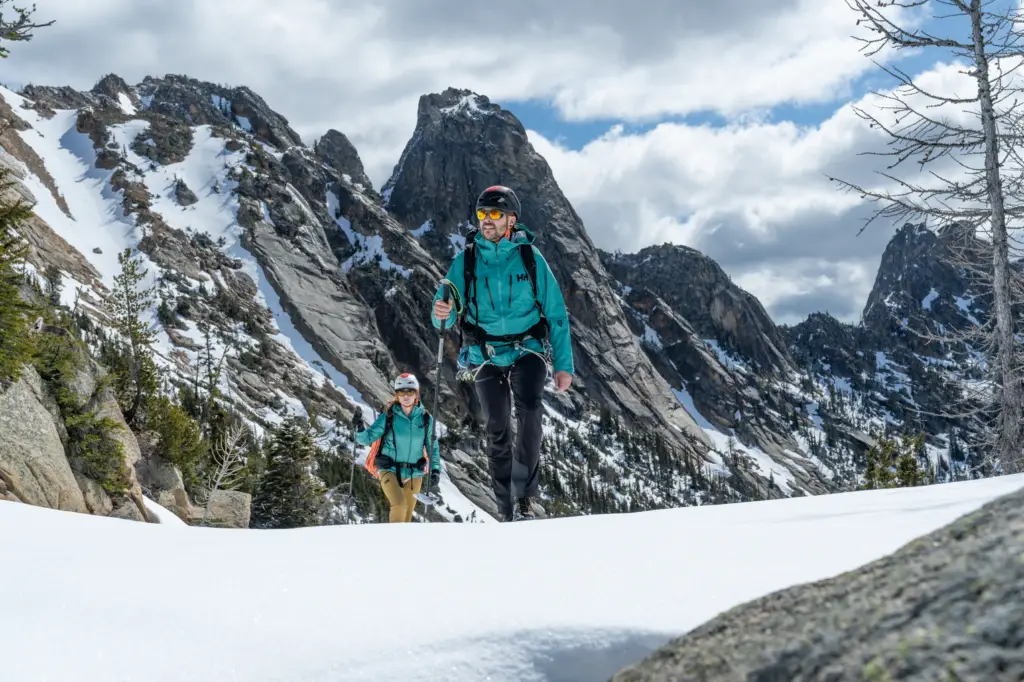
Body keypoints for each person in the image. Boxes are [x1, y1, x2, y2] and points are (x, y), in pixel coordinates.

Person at [431, 185, 574, 522]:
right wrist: (442, 311)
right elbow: (446, 306)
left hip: (528, 349)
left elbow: (556, 314)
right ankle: (505, 509)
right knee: (497, 427)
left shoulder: (530, 257)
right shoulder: (466, 260)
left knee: (530, 413)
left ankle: (524, 499)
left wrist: (564, 365)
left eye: (495, 214)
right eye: (482, 214)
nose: (487, 220)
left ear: (512, 219)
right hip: (484, 353)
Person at [354, 373, 441, 523]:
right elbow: (366, 438)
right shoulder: (389, 416)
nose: (406, 396)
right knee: (399, 505)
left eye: (410, 392)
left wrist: (435, 470)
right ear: (396, 395)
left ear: (416, 394)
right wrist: (359, 428)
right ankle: (393, 544)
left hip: (415, 473)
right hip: (389, 469)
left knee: (406, 517)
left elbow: (433, 447)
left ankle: (401, 546)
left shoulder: (425, 418)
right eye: (401, 392)